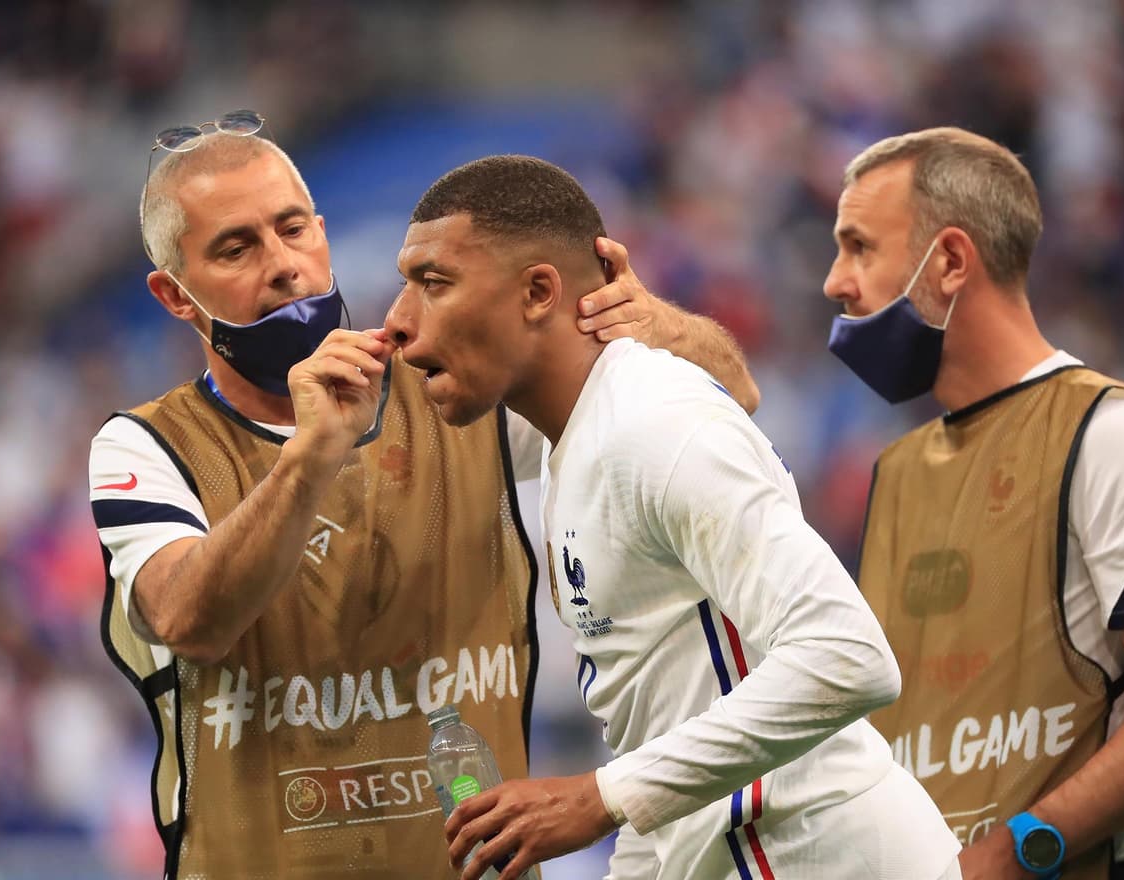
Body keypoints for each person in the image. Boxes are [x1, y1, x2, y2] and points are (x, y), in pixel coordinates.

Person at [88, 112, 760, 879]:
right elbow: (188, 621)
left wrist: (652, 324)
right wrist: (311, 456)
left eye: (294, 229)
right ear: (175, 295)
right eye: (237, 248)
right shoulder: (144, 446)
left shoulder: (454, 382)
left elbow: (727, 394)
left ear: (323, 232)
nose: (284, 265)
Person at [383, 154, 962, 880]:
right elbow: (658, 742)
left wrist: (596, 798)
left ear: (538, 291)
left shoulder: (654, 424)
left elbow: (847, 659)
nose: (398, 322)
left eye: (433, 285)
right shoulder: (582, 438)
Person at [821, 127, 1124, 880]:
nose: (835, 282)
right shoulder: (895, 472)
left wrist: (1014, 852)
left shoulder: (1114, 437)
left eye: (859, 247)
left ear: (949, 261)